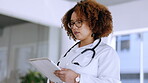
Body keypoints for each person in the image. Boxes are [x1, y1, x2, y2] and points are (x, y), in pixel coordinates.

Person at [48, 0, 120, 83]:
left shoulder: (106, 52)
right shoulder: (70, 52)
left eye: (79, 22)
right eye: (72, 23)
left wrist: (77, 79)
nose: (74, 27)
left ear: (93, 23)